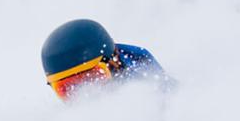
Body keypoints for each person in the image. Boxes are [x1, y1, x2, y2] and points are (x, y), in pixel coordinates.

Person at [41, 19, 169, 102]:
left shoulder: (155, 98)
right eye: (66, 89)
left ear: (115, 64)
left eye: (93, 77)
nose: (84, 95)